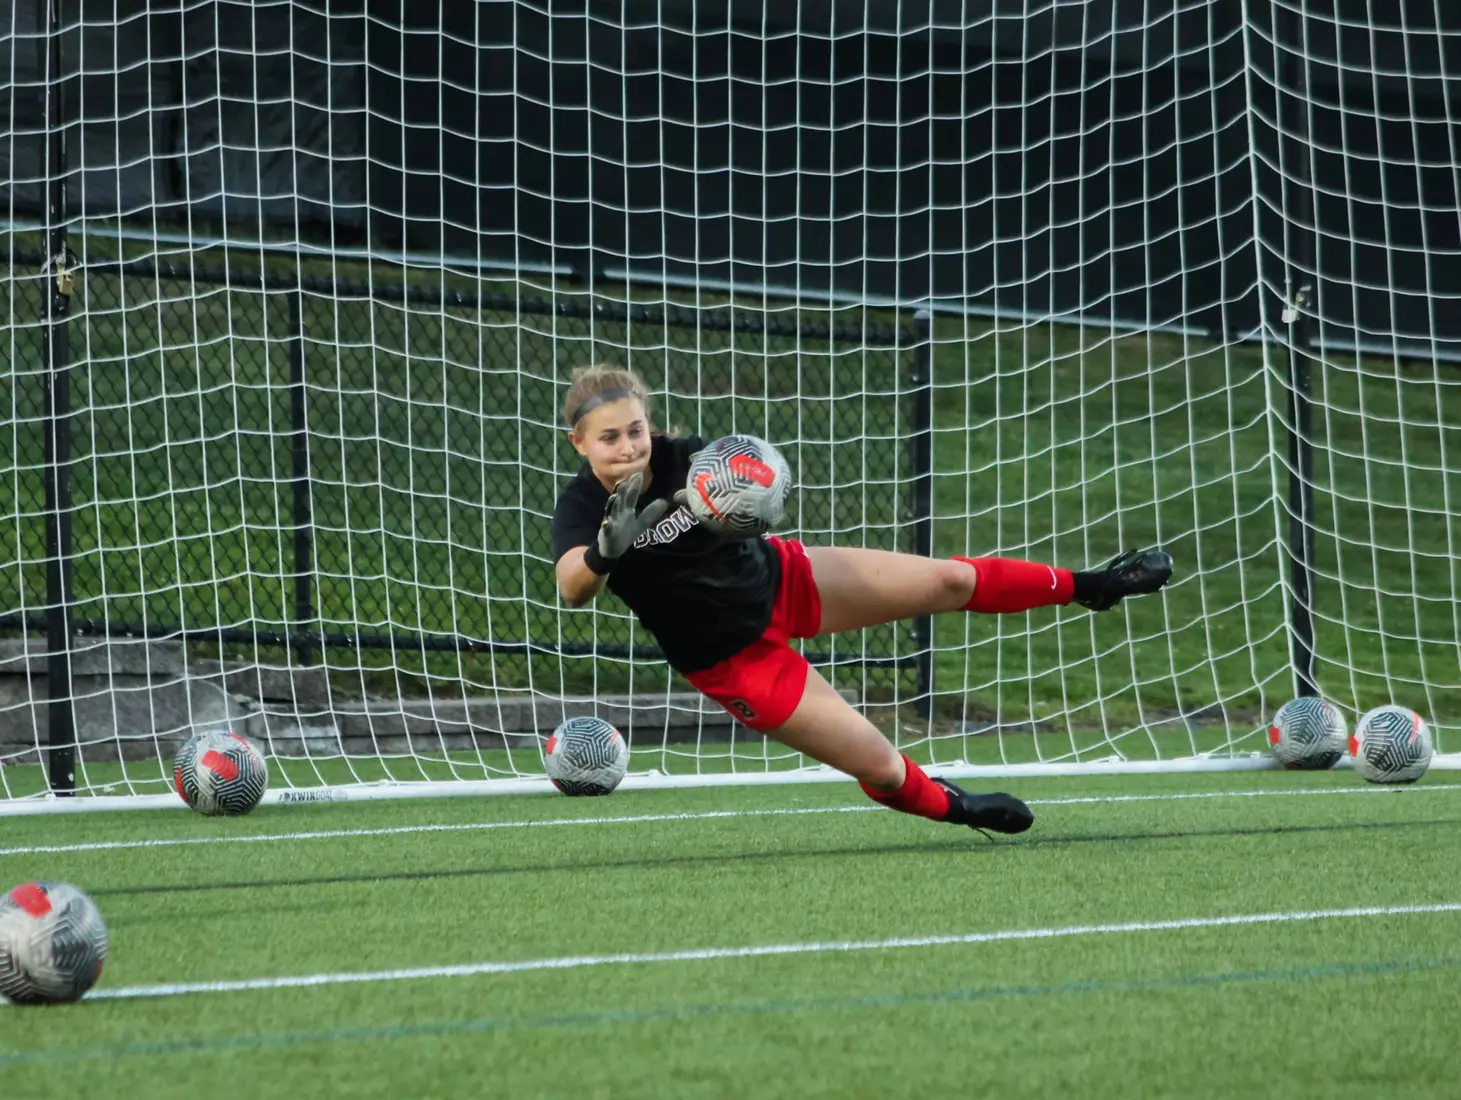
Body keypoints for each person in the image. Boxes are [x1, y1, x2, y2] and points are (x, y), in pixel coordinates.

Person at [550, 365, 1173, 835]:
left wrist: (751, 488)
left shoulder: (687, 459)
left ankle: (1092, 586)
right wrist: (607, 552)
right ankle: (956, 806)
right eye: (610, 439)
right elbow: (572, 586)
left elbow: (753, 474)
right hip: (732, 658)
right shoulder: (582, 508)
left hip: (786, 580)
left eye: (636, 430)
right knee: (878, 764)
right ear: (581, 444)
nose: (629, 447)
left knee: (948, 580)